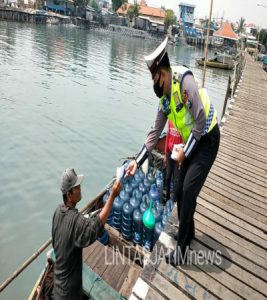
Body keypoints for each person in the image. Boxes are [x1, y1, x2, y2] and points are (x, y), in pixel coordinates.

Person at [126, 37, 220, 266]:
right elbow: (154, 133)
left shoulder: (183, 81)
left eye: (154, 77)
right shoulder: (165, 102)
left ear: (164, 73)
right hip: (192, 143)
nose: (153, 83)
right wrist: (137, 162)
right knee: (178, 191)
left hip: (207, 138)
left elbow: (199, 120)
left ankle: (182, 250)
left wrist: (183, 154)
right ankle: (189, 232)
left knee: (188, 191)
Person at [52, 168, 121, 299]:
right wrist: (112, 196)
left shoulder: (57, 212)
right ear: (69, 194)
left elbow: (56, 243)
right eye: (77, 187)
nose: (80, 189)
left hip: (58, 285)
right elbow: (96, 227)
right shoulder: (76, 221)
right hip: (70, 293)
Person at [164, 119, 183, 202]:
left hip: (177, 154)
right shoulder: (170, 121)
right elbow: (167, 137)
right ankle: (166, 197)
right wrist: (165, 154)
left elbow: (184, 141)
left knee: (176, 178)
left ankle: (174, 200)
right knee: (168, 176)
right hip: (169, 152)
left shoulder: (182, 123)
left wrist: (181, 158)